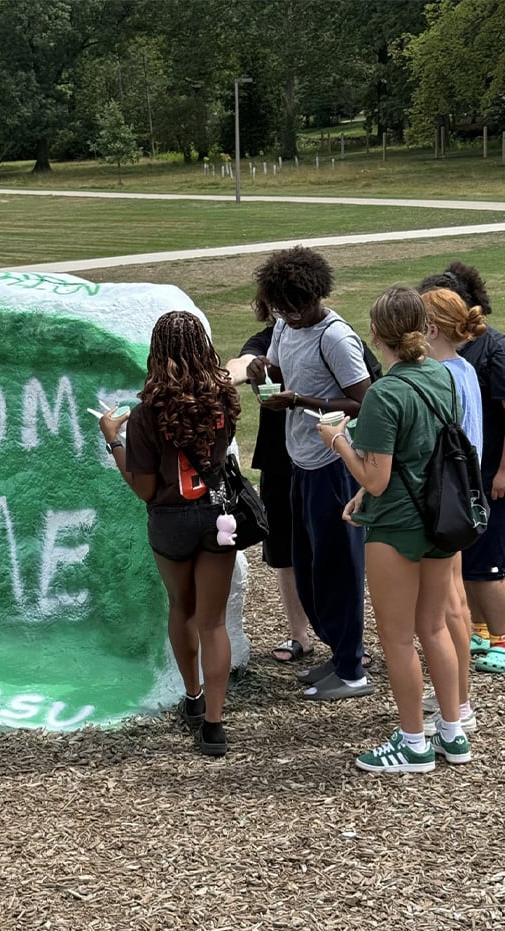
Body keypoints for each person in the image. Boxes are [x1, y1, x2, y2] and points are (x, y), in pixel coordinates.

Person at [320, 285, 471, 773]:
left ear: (376, 333)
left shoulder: (386, 393)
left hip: (397, 527)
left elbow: (377, 478)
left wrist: (337, 440)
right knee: (434, 628)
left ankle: (413, 743)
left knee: (398, 638)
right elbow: (424, 450)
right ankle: (454, 732)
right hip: (441, 518)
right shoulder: (443, 376)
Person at [98, 310, 240, 757]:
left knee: (183, 608)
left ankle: (193, 699)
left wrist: (112, 441)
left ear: (157, 353)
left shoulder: (144, 415)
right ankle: (214, 726)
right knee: (214, 622)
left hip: (170, 521)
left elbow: (143, 488)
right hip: (218, 517)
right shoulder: (224, 400)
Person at [245, 246, 372, 700]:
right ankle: (338, 654)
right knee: (309, 568)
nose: (288, 315)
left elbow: (365, 400)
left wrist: (301, 401)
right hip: (300, 459)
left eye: (295, 307)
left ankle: (353, 670)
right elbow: (277, 370)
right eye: (280, 307)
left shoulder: (334, 337)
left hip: (334, 464)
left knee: (339, 568)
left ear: (314, 296)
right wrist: (263, 371)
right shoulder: (284, 323)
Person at [418, 262, 505, 677]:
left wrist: (502, 473)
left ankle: (501, 640)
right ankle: (477, 630)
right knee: (465, 563)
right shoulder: (458, 362)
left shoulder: (487, 353)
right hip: (466, 475)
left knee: (489, 565)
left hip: (479, 477)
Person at [419, 287, 486, 739]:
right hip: (464, 493)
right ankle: (457, 696)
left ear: (431, 329)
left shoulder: (442, 374)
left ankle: (458, 705)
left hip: (446, 497)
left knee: (446, 607)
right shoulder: (464, 368)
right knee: (455, 601)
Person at [227, 325, 312, 664]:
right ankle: (299, 636)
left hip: (326, 456)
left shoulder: (333, 333)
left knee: (331, 549)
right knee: (284, 552)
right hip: (279, 459)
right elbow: (242, 362)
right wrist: (230, 375)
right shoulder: (270, 337)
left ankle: (344, 641)